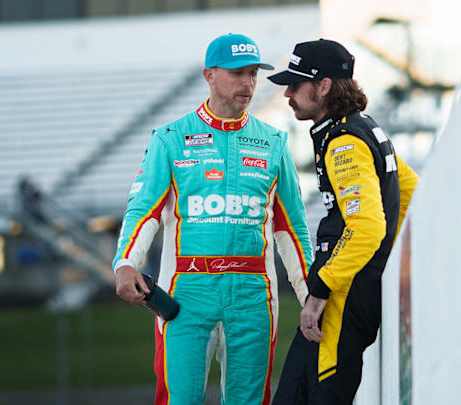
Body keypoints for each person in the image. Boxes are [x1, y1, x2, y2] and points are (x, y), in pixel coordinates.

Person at [113, 33, 314, 405]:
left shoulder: (274, 142)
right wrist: (126, 264)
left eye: (253, 73)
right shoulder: (170, 137)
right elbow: (144, 210)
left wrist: (310, 296)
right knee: (180, 398)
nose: (248, 83)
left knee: (250, 400)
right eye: (238, 73)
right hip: (187, 291)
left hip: (254, 294)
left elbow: (292, 227)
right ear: (209, 74)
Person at [267, 39, 419, 404]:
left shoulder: (344, 140)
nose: (287, 93)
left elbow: (367, 226)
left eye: (296, 83)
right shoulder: (363, 127)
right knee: (293, 393)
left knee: (321, 394)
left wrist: (320, 292)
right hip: (352, 290)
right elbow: (408, 193)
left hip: (342, 297)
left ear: (324, 86)